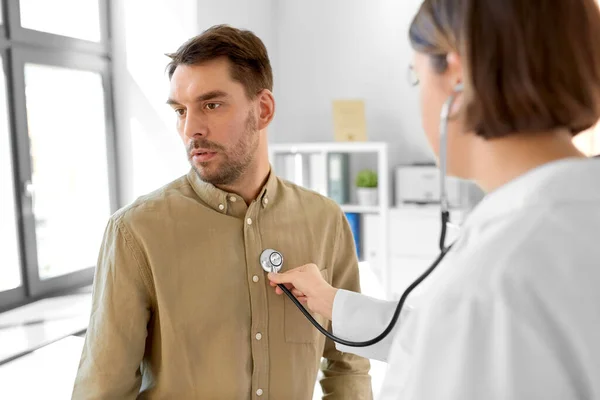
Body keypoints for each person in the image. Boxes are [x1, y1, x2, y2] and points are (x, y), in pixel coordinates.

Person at [268, 0, 600, 399]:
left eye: (416, 76)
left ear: (456, 79)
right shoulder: (562, 228)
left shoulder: (493, 278)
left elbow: (468, 333)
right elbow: (451, 337)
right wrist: (331, 301)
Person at [72, 25, 372, 399]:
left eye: (211, 105)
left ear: (262, 109)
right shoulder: (136, 232)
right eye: (181, 110)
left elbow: (347, 363)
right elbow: (103, 390)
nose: (191, 128)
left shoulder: (326, 221)